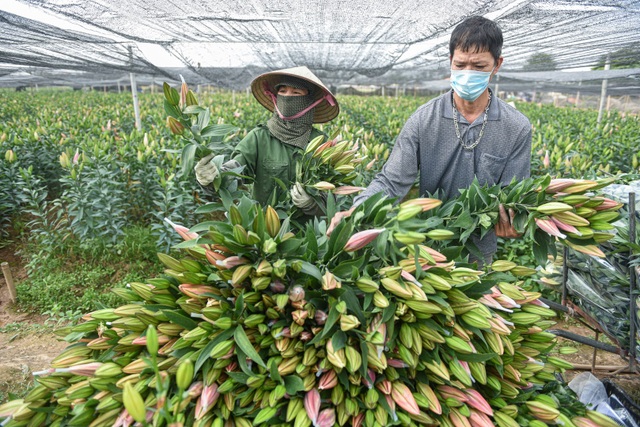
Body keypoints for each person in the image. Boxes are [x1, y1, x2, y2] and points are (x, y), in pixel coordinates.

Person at [328, 16, 531, 265]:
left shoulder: (516, 127)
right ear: (450, 62)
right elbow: (392, 181)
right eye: (460, 64)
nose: (468, 73)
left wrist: (516, 220)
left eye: (478, 66)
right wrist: (357, 211)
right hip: (423, 246)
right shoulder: (423, 120)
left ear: (497, 65)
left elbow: (514, 195)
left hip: (478, 254)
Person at [194, 66, 340, 215]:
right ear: (275, 97)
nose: (287, 97)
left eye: (296, 92)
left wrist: (313, 204)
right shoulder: (259, 137)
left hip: (309, 232)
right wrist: (213, 176)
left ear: (309, 101)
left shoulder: (321, 143)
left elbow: (334, 192)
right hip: (264, 230)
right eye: (282, 91)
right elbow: (237, 167)